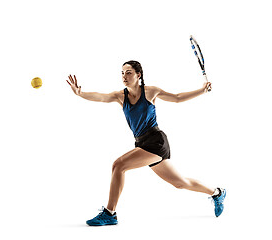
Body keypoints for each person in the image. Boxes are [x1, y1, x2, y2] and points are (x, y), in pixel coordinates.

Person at [66, 60, 226, 226]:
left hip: (156, 141)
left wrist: (202, 90)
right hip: (142, 144)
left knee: (118, 165)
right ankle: (217, 193)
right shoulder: (120, 96)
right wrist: (80, 93)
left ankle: (110, 213)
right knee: (180, 183)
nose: (124, 76)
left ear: (138, 75)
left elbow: (177, 98)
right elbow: (101, 97)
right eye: (122, 73)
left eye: (128, 72)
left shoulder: (150, 92)